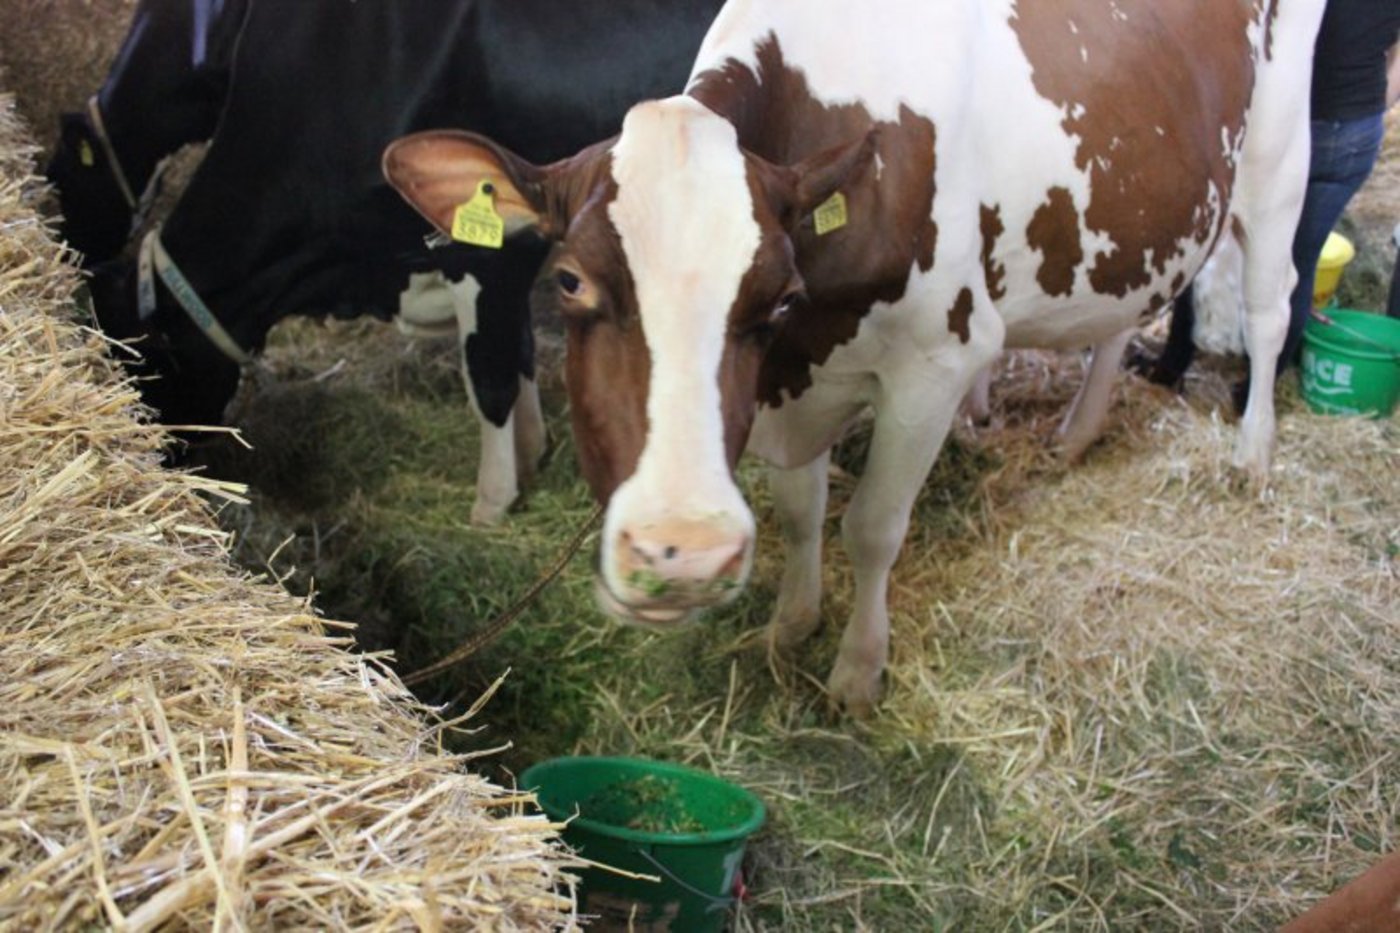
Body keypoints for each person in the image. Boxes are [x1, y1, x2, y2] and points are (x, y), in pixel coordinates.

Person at [1143, 0, 1400, 399]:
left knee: (1214, 236)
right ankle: (1257, 387)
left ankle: (1174, 364)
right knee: (1296, 263)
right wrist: (1363, 104)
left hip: (1278, 123)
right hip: (1353, 131)